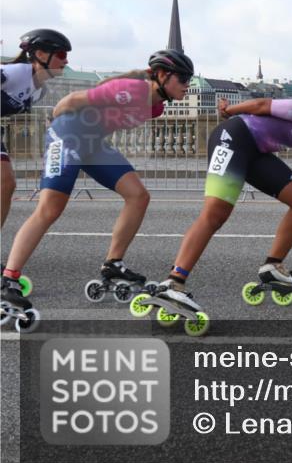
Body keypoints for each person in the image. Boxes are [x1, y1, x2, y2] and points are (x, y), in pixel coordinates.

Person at [1, 49, 194, 318]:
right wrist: (57, 127)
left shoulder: (156, 107)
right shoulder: (133, 89)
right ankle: (9, 278)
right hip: (68, 134)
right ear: (162, 75)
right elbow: (72, 99)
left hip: (93, 144)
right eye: (183, 79)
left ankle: (113, 263)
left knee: (138, 195)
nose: (187, 85)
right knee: (50, 208)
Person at [147, 74, 292, 316]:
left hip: (255, 151)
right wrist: (229, 110)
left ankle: (273, 266)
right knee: (215, 214)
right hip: (233, 139)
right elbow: (262, 105)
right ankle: (173, 281)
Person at [1, 29, 73, 227]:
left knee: (6, 185)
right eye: (61, 55)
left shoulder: (40, 91)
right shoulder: (14, 73)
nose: (66, 61)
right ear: (40, 54)